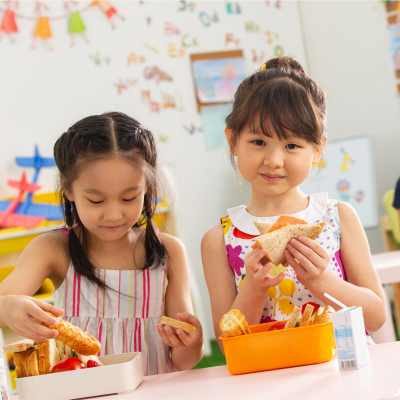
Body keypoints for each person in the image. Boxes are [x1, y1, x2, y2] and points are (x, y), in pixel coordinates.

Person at [201, 57, 385, 352]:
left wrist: (323, 281)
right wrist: (253, 287)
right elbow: (228, 346)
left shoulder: (337, 218)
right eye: (259, 142)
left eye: (292, 146)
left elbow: (375, 318)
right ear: (233, 141)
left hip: (343, 374)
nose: (274, 160)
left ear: (317, 150)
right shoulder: (219, 240)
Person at [0, 112, 203, 375]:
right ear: (68, 188)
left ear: (147, 187)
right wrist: (6, 308)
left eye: (129, 197)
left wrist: (192, 342)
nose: (114, 214)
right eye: (96, 201)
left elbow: (184, 360)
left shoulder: (168, 252)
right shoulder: (53, 248)